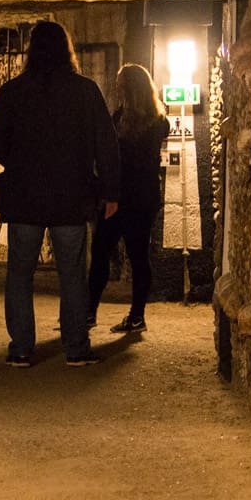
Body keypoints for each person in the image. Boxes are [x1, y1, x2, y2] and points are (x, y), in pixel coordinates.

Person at [0, 20, 120, 368]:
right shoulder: (86, 91)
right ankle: (75, 347)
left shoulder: (14, 91)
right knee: (73, 273)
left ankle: (21, 348)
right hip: (71, 198)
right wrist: (110, 190)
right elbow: (106, 145)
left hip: (25, 197)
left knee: (19, 273)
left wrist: (18, 160)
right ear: (67, 49)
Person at [87, 64, 171, 334]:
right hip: (144, 198)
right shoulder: (159, 122)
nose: (116, 87)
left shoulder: (119, 120)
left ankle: (89, 312)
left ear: (129, 88)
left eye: (120, 83)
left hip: (120, 198)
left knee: (101, 252)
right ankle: (136, 316)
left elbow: (115, 160)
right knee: (138, 256)